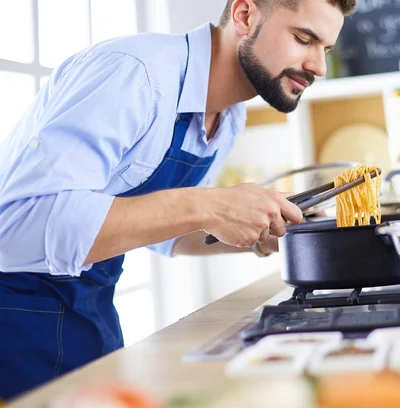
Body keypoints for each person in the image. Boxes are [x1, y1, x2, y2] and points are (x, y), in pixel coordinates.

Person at [0, 0, 356, 400]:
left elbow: (164, 234)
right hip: (14, 322)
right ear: (244, 15)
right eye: (304, 39)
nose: (319, 67)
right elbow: (15, 227)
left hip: (90, 316)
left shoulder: (229, 116)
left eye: (324, 49)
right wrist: (209, 205)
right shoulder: (135, 74)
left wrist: (258, 230)